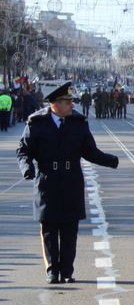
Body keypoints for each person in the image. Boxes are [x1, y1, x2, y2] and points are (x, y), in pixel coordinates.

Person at [17, 81, 120, 283]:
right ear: (55, 103)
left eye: (71, 101)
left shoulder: (78, 123)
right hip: (47, 182)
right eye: (67, 102)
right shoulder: (36, 123)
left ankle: (66, 270)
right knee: (49, 228)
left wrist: (111, 160)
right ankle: (52, 270)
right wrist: (27, 168)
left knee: (69, 229)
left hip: (71, 181)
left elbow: (90, 151)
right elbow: (24, 151)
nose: (72, 105)